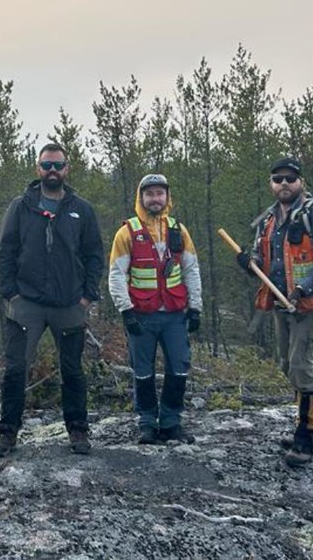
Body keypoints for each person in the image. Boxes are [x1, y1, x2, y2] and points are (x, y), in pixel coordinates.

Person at [0, 143, 105, 457]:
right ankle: (7, 433)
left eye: (58, 165)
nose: (52, 171)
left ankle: (78, 430)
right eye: (46, 165)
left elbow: (95, 255)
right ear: (37, 168)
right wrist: (10, 292)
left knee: (72, 370)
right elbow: (5, 252)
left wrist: (87, 296)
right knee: (15, 369)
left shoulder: (82, 209)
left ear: (67, 168)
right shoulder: (20, 207)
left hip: (69, 304)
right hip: (27, 302)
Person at [236, 157, 313, 467]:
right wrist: (250, 261)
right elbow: (266, 257)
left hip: (311, 305)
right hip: (281, 304)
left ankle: (304, 438)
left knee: (302, 366)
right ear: (271, 183)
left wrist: (302, 289)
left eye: (290, 179)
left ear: (300, 182)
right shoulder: (270, 220)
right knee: (288, 366)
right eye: (278, 179)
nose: (284, 184)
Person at [107, 174, 203, 444]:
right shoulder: (127, 232)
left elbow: (191, 269)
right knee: (142, 370)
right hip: (141, 315)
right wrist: (125, 311)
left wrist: (195, 307)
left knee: (179, 367)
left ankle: (172, 422)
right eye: (149, 194)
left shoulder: (179, 230)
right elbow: (116, 274)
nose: (155, 199)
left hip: (174, 314)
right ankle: (147, 423)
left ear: (167, 198)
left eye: (160, 193)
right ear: (141, 198)